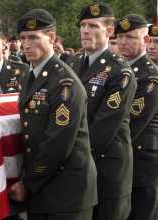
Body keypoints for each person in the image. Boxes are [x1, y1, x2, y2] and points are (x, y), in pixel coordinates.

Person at [9, 8, 97, 220]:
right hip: (45, 185)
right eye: (23, 38)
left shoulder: (64, 83)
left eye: (33, 37)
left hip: (67, 191)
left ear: (51, 38)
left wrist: (29, 182)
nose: (26, 44)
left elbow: (58, 142)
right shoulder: (32, 76)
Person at [68, 3, 137, 220]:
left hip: (106, 168)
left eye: (93, 26)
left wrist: (67, 159)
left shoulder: (120, 72)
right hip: (77, 165)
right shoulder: (73, 63)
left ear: (109, 31)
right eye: (83, 25)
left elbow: (103, 128)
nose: (85, 30)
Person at [116, 14, 158, 220]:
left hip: (143, 165)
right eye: (120, 37)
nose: (123, 42)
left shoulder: (150, 77)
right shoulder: (118, 69)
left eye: (131, 37)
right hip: (122, 162)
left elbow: (130, 122)